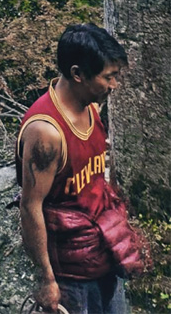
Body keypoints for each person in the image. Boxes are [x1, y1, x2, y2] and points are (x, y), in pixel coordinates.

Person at [17, 23, 138, 314]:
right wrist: (46, 279)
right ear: (77, 74)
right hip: (70, 272)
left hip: (102, 249)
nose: (114, 85)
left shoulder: (91, 107)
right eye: (108, 77)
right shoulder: (46, 133)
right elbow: (30, 206)